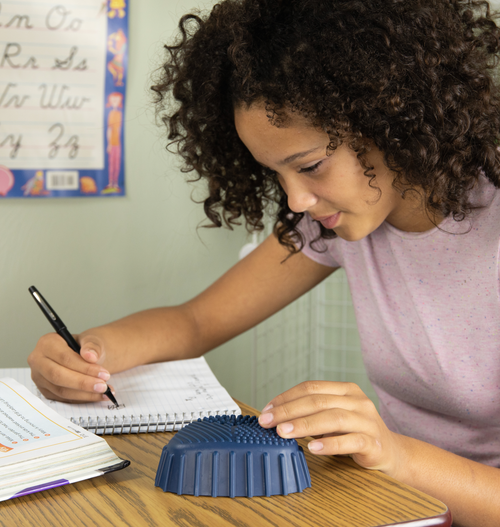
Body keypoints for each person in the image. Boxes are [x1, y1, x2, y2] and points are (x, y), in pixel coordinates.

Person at [28, 1, 500, 524]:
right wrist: (89, 354)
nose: (296, 200)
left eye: (311, 166)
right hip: (403, 505)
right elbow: (195, 322)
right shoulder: (339, 221)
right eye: (276, 174)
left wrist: (394, 453)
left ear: (393, 121)